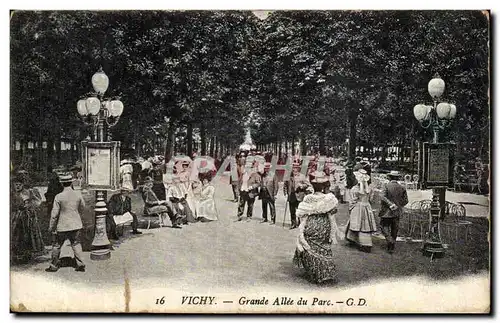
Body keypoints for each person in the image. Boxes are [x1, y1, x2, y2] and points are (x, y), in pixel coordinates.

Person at [293, 170, 342, 284]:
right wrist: (333, 232)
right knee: (324, 247)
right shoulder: (329, 199)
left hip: (311, 224)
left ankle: (315, 272)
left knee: (310, 247)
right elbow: (331, 216)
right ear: (324, 186)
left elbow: (302, 215)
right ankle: (325, 273)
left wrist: (301, 231)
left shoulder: (308, 198)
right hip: (324, 225)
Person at [46, 173, 86, 272]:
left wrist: (51, 227)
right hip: (76, 224)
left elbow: (54, 214)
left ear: (61, 184)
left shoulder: (59, 196)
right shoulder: (77, 194)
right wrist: (76, 214)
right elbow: (83, 207)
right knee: (76, 243)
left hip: (62, 225)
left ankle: (54, 265)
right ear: (71, 182)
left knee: (57, 245)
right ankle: (80, 264)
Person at [11, 173, 45, 264]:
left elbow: (38, 201)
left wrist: (30, 206)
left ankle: (27, 255)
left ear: (22, 185)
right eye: (16, 184)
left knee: (27, 235)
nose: (17, 186)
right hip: (15, 217)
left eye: (19, 184)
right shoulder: (11, 193)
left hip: (27, 217)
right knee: (16, 235)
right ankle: (15, 255)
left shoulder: (28, 192)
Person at [345, 169, 378, 252]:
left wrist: (350, 208)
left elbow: (353, 200)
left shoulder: (355, 189)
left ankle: (355, 240)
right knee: (365, 224)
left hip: (358, 207)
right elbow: (371, 199)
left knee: (357, 223)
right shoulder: (369, 189)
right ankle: (365, 242)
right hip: (367, 206)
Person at [379, 170, 409, 253]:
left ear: (389, 177)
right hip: (397, 211)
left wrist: (390, 204)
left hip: (386, 211)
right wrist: (398, 205)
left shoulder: (386, 186)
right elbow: (406, 201)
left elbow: (382, 196)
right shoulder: (402, 187)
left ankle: (389, 240)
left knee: (383, 226)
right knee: (394, 228)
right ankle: (391, 246)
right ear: (397, 178)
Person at [284, 162, 311, 229]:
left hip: (300, 195)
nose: (294, 169)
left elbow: (308, 184)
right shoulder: (289, 176)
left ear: (298, 169)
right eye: (293, 168)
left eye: (295, 168)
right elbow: (285, 185)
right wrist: (285, 192)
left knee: (300, 211)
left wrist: (302, 186)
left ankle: (300, 223)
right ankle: (293, 223)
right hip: (291, 195)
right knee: (292, 211)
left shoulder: (302, 176)